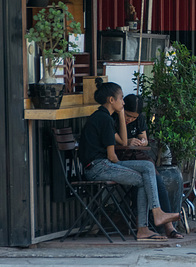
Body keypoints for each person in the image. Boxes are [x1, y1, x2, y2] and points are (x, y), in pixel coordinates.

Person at [78, 78, 179, 241]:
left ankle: (155, 215)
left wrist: (121, 113)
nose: (123, 103)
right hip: (98, 168)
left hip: (101, 166)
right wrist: (128, 168)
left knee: (147, 166)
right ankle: (146, 225)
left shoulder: (105, 117)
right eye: (121, 99)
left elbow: (124, 142)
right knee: (144, 176)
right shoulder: (104, 119)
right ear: (112, 100)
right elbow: (112, 156)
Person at [114, 94, 183, 239]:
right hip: (121, 159)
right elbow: (111, 144)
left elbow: (144, 138)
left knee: (158, 181)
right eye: (128, 116)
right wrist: (127, 142)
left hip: (138, 156)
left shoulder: (139, 119)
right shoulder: (114, 118)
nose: (130, 119)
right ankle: (153, 225)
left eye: (133, 117)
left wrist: (141, 141)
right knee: (148, 177)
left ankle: (167, 225)